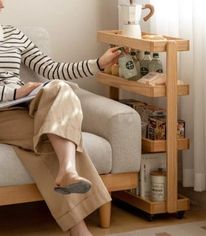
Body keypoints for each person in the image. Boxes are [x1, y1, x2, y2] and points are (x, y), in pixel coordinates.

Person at [0, 1, 121, 236]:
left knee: (61, 88)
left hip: (23, 104)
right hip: (2, 111)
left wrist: (98, 64)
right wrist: (16, 92)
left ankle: (68, 170)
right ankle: (79, 230)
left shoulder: (13, 34)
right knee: (47, 139)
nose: (3, 3)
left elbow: (53, 68)